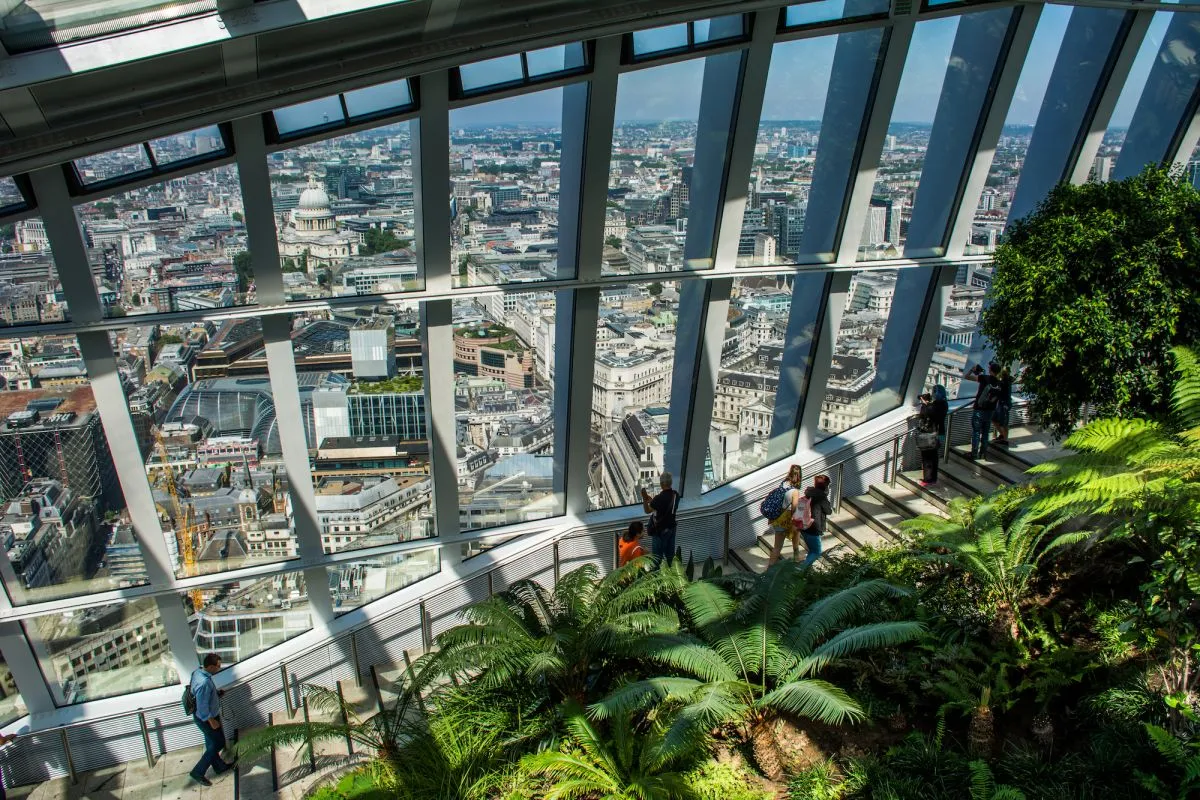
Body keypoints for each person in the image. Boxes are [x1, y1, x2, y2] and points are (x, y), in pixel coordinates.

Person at [189, 653, 234, 787]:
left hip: (205, 716)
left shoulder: (198, 672)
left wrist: (216, 694)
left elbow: (201, 695)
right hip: (207, 718)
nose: (219, 669)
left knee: (211, 743)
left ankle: (219, 766)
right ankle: (198, 771)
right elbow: (202, 706)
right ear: (210, 666)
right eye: (218, 666)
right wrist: (211, 721)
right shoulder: (204, 682)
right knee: (218, 743)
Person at [963, 362, 1003, 460]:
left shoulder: (984, 378)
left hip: (979, 409)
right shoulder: (999, 383)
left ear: (990, 370)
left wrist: (972, 369)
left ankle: (974, 453)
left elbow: (967, 377)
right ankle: (982, 453)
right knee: (985, 432)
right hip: (990, 411)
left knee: (976, 432)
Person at [767, 465, 804, 565]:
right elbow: (794, 509)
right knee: (778, 547)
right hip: (784, 520)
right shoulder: (795, 491)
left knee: (796, 532)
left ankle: (796, 556)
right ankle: (769, 568)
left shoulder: (783, 484)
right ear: (799, 476)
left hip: (777, 517)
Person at [641, 471, 680, 566]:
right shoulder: (676, 495)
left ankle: (658, 574)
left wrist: (645, 499)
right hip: (671, 528)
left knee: (657, 559)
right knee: (670, 556)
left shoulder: (658, 498)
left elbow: (647, 510)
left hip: (660, 531)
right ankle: (673, 572)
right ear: (671, 482)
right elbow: (664, 505)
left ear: (661, 484)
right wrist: (652, 501)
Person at [799, 475, 833, 569]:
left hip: (804, 526)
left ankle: (805, 570)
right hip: (814, 528)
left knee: (812, 550)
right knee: (816, 552)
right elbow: (828, 511)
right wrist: (825, 496)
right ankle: (800, 571)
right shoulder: (821, 497)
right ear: (825, 486)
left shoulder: (809, 493)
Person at [917, 386, 949, 486]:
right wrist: (928, 404)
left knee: (927, 458)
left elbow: (925, 414)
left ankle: (928, 479)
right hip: (938, 433)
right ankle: (932, 479)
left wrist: (924, 404)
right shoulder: (944, 404)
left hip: (930, 434)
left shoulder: (935, 407)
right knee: (934, 457)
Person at [991, 366, 1014, 446]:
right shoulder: (1006, 381)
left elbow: (998, 392)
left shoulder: (1004, 382)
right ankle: (1003, 436)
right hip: (1002, 403)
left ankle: (1005, 439)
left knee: (1003, 423)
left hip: (1003, 404)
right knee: (995, 419)